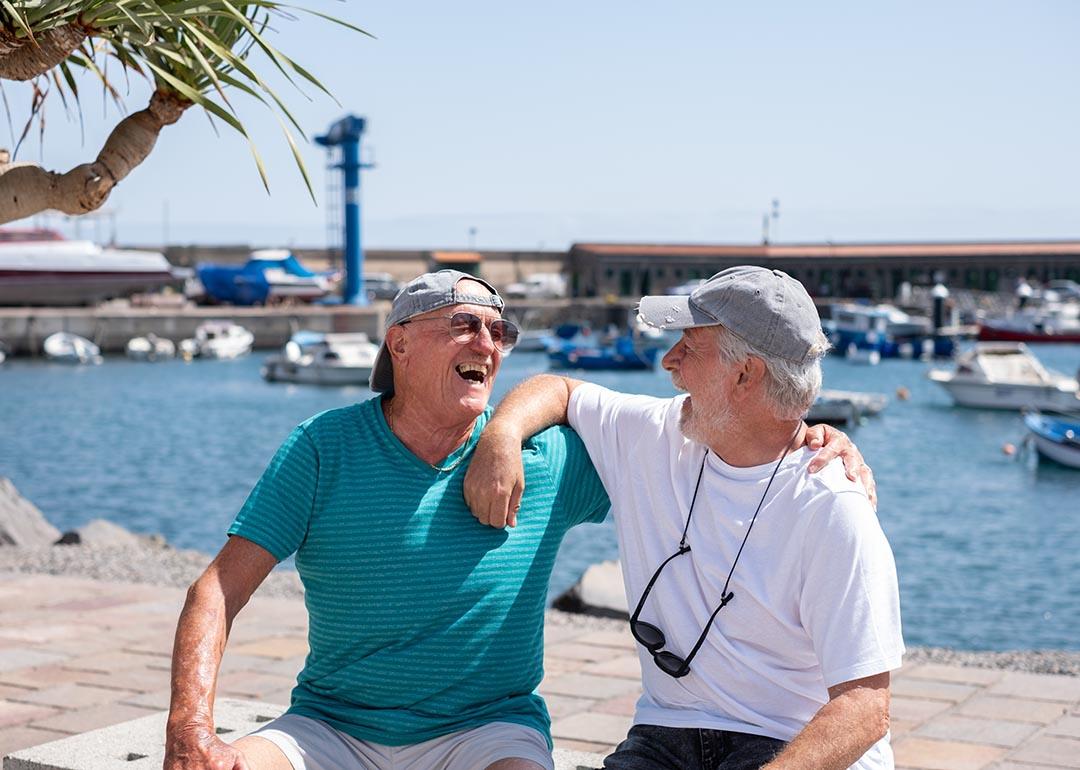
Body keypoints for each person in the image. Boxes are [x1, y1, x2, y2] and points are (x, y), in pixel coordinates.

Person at [164, 269, 870, 770]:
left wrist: (813, 434)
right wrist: (190, 728)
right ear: (399, 344)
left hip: (489, 736)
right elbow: (216, 593)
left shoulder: (555, 460)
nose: (487, 342)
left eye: (499, 330)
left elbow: (730, 444)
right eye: (463, 324)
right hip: (328, 729)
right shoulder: (323, 447)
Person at [465, 266, 903, 770]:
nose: (669, 363)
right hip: (666, 734)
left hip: (792, 743)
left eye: (689, 348)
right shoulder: (661, 432)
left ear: (745, 374)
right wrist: (500, 436)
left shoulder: (832, 507)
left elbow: (866, 708)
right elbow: (558, 389)